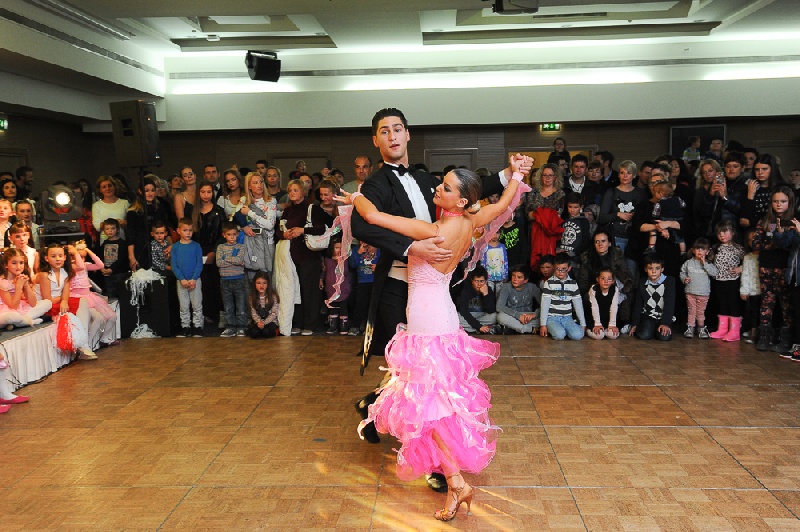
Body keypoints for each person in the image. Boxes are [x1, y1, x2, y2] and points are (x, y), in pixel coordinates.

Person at [349, 107, 525, 480]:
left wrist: (508, 174)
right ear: (376, 139)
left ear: (408, 134)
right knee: (415, 373)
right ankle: (397, 426)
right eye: (385, 131)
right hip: (401, 287)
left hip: (429, 297)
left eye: (398, 128)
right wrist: (517, 179)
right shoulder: (379, 184)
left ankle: (433, 461)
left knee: (423, 378)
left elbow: (473, 188)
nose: (393, 136)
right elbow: (365, 228)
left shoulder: (429, 183)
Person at [35, 244, 96, 359]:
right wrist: (62, 299)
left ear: (64, 257)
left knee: (83, 301)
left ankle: (83, 343)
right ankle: (83, 345)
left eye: (60, 256)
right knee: (72, 308)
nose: (58, 259)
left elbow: (66, 292)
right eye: (53, 256)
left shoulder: (65, 273)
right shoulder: (44, 275)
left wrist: (64, 300)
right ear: (46, 258)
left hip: (57, 302)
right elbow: (47, 299)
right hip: (47, 305)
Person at [752, 185, 794, 352]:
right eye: (775, 201)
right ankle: (764, 336)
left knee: (786, 304)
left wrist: (779, 240)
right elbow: (756, 243)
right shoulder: (766, 220)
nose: (779, 204)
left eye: (783, 201)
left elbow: (790, 245)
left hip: (785, 267)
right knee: (766, 301)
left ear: (789, 202)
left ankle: (786, 338)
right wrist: (775, 241)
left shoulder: (793, 221)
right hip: (766, 266)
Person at [68, 243, 117, 348]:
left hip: (89, 296)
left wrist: (87, 249)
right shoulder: (71, 267)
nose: (81, 258)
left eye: (83, 256)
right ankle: (88, 344)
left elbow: (101, 265)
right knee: (98, 318)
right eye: (79, 256)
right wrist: (76, 253)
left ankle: (104, 338)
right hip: (78, 297)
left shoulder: (85, 265)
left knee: (113, 316)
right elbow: (80, 266)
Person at [192, 180, 226, 327]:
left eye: (209, 192)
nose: (206, 195)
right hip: (197, 250)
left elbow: (223, 234)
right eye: (203, 192)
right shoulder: (193, 212)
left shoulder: (219, 211)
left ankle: (220, 314)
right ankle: (205, 314)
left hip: (214, 250)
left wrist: (214, 251)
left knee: (217, 283)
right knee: (202, 284)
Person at [708, 221, 745, 341]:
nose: (721, 235)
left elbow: (749, 261)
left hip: (733, 281)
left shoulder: (738, 248)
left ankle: (734, 331)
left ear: (733, 232)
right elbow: (708, 260)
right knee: (722, 304)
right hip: (719, 281)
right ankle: (722, 329)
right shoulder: (715, 248)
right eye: (719, 233)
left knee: (733, 304)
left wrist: (741, 268)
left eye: (725, 231)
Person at [0, 247, 51, 328]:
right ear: (6, 265)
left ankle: (18, 323)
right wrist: (19, 286)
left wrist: (26, 285)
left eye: (21, 263)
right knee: (12, 316)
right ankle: (27, 321)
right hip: (5, 311)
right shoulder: (2, 282)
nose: (18, 266)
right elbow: (13, 306)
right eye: (14, 263)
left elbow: (33, 303)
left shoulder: (20, 278)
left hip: (20, 308)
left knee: (47, 303)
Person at [539, 253, 586, 340]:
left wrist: (583, 324)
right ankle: (558, 329)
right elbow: (544, 305)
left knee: (578, 335)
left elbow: (578, 305)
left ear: (569, 268)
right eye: (557, 269)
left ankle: (565, 329)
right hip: (552, 317)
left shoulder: (573, 284)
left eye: (563, 269)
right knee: (559, 335)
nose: (560, 272)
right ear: (554, 267)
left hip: (567, 317)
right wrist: (543, 325)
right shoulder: (548, 283)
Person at [630, 255, 676, 341]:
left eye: (657, 268)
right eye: (650, 268)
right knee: (644, 335)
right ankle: (650, 329)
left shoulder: (669, 281)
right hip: (648, 316)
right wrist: (635, 323)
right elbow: (638, 304)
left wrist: (665, 323)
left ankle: (656, 329)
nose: (654, 271)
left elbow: (670, 303)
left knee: (664, 337)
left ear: (662, 269)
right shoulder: (642, 282)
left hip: (663, 317)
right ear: (645, 269)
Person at [172, 218, 204, 338]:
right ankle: (185, 326)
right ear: (178, 231)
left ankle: (197, 326)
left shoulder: (196, 246)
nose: (188, 233)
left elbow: (199, 264)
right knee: (184, 305)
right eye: (185, 230)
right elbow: (174, 265)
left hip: (195, 280)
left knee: (196, 304)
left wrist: (194, 278)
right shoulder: (175, 247)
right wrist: (182, 279)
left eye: (190, 230)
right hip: (182, 281)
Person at [679, 238, 718, 339]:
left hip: (703, 293)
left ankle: (700, 328)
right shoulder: (688, 263)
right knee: (691, 311)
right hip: (690, 292)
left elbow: (714, 273)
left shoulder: (708, 264)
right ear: (693, 250)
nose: (700, 251)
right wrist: (684, 278)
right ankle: (690, 328)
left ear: (707, 251)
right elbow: (682, 272)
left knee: (700, 312)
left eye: (703, 249)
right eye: (697, 248)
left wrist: (705, 264)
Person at [216, 222, 247, 338]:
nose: (232, 237)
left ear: (238, 234)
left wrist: (225, 258)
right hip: (225, 280)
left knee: (241, 305)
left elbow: (240, 260)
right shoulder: (220, 247)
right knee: (228, 306)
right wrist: (234, 260)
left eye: (234, 234)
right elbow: (219, 263)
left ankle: (241, 327)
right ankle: (230, 327)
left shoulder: (241, 247)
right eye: (229, 234)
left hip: (239, 279)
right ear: (224, 235)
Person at [496, 264, 540, 334]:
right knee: (500, 317)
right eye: (513, 276)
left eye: (519, 277)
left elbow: (545, 305)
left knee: (546, 318)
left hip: (528, 316)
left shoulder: (532, 287)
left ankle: (515, 328)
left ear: (525, 280)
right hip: (513, 316)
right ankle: (531, 329)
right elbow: (499, 307)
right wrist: (518, 316)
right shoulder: (506, 287)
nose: (515, 279)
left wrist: (534, 314)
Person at [321, 238, 352, 335]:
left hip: (343, 289)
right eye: (337, 248)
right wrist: (321, 279)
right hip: (331, 289)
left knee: (343, 308)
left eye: (341, 248)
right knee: (332, 308)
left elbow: (345, 272)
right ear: (332, 248)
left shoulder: (345, 260)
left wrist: (340, 263)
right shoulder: (328, 260)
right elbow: (324, 271)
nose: (339, 250)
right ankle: (333, 326)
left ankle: (343, 326)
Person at [348, 241, 378, 336]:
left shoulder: (379, 249)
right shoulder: (356, 249)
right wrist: (358, 253)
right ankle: (355, 326)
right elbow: (352, 264)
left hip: (375, 281)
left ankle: (368, 327)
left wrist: (378, 267)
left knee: (372, 305)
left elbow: (385, 264)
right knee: (360, 304)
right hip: (362, 282)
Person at [457, 265, 497, 334]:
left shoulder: (488, 290)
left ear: (486, 281)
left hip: (481, 315)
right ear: (472, 281)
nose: (479, 284)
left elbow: (491, 310)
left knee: (494, 317)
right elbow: (464, 311)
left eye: (482, 281)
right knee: (457, 318)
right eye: (476, 281)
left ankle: (473, 328)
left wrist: (486, 295)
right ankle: (483, 329)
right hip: (469, 315)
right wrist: (479, 326)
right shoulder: (466, 290)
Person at [739, 229, 761, 344]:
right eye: (750, 240)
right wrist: (744, 290)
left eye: (756, 238)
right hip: (753, 290)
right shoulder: (748, 257)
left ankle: (763, 333)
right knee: (753, 311)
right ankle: (753, 332)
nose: (753, 242)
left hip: (765, 289)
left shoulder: (766, 257)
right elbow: (745, 275)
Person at [586, 268, 621, 340]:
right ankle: (589, 330)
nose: (606, 281)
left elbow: (614, 307)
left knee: (613, 335)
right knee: (599, 336)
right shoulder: (594, 289)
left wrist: (612, 324)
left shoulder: (615, 289)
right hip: (594, 318)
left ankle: (605, 330)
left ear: (613, 281)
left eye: (609, 279)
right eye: (603, 278)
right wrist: (597, 324)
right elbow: (594, 307)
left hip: (607, 318)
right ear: (597, 279)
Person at [92, 176, 129, 241]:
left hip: (123, 241)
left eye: (110, 186)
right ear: (100, 190)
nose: (108, 188)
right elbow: (97, 227)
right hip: (105, 242)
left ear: (114, 187)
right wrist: (110, 224)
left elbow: (131, 223)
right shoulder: (96, 206)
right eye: (104, 187)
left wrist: (124, 223)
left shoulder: (125, 203)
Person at [99, 218, 129, 298]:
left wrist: (112, 269)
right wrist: (102, 268)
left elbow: (122, 259)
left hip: (119, 273)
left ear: (118, 230)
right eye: (107, 229)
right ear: (104, 231)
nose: (110, 231)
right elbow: (101, 257)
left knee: (121, 294)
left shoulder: (122, 243)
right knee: (110, 294)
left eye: (113, 228)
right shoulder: (104, 243)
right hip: (107, 274)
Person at [248, 271, 279, 338]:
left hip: (271, 321)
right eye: (258, 283)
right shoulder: (252, 297)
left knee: (266, 331)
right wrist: (259, 322)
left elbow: (274, 313)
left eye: (264, 283)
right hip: (259, 322)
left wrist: (264, 323)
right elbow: (253, 313)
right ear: (255, 284)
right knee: (253, 333)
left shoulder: (273, 296)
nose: (261, 286)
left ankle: (276, 331)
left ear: (268, 284)